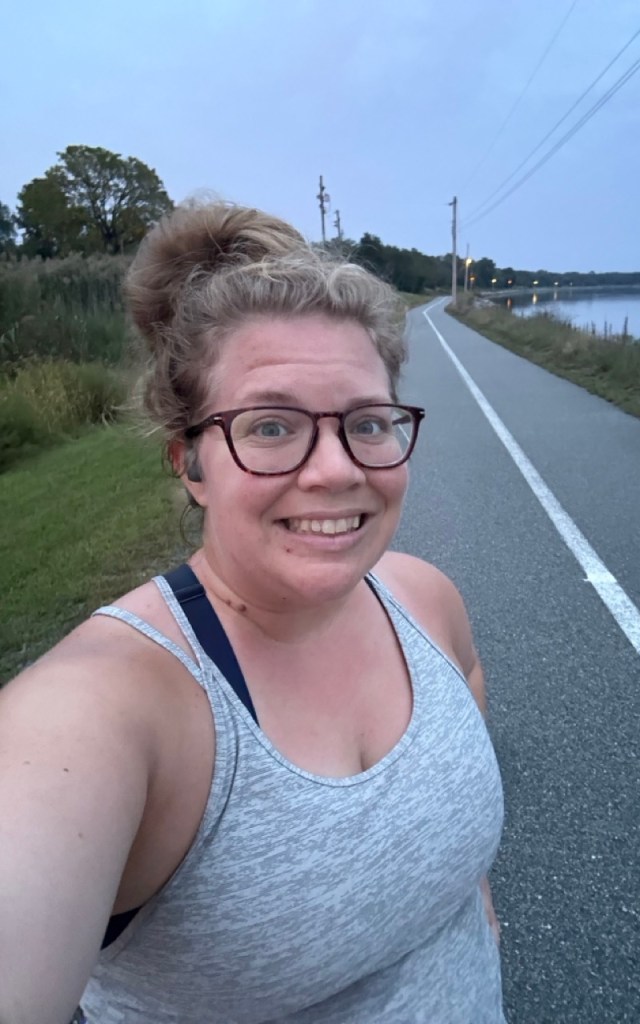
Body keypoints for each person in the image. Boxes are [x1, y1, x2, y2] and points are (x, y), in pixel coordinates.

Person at [0, 202, 505, 1024]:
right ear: (192, 463)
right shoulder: (105, 715)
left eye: (368, 423)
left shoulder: (424, 598)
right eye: (272, 427)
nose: (337, 470)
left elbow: (463, 747)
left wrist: (468, 895)